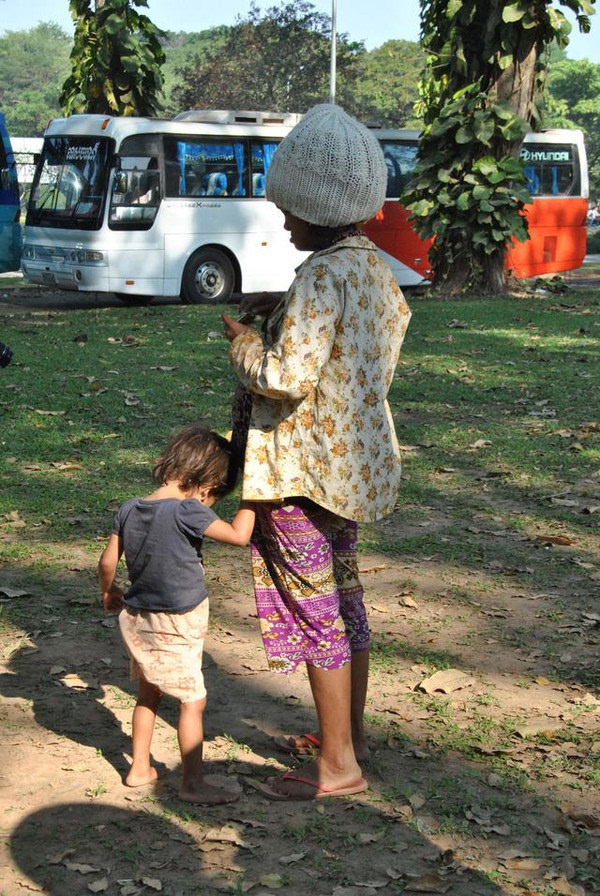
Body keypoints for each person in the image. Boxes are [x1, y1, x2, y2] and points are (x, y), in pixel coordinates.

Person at [222, 103, 412, 801]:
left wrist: (243, 340)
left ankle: (338, 769)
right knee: (347, 598)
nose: (283, 221)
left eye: (289, 210)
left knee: (313, 610)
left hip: (300, 474)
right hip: (351, 471)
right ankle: (347, 739)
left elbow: (286, 376)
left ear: (316, 206)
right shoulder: (375, 271)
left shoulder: (321, 278)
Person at [98, 425, 255, 805]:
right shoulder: (188, 509)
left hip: (136, 617)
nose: (211, 503)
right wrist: (255, 496)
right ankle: (193, 783)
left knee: (148, 691)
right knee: (192, 700)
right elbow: (239, 535)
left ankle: (138, 768)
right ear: (203, 482)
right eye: (215, 494)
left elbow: (106, 561)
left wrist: (108, 590)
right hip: (177, 620)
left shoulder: (129, 508)